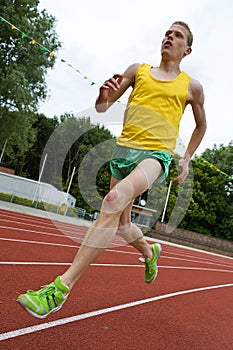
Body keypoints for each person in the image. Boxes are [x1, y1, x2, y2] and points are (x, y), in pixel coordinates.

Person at [17, 21, 207, 318]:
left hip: (155, 156)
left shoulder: (191, 87)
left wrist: (185, 159)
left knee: (112, 201)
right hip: (123, 152)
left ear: (187, 49)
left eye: (177, 35)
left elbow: (201, 126)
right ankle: (149, 252)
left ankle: (60, 289)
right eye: (167, 33)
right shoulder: (138, 70)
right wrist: (102, 98)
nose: (170, 37)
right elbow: (104, 107)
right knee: (120, 223)